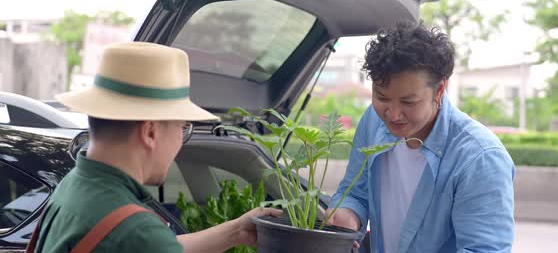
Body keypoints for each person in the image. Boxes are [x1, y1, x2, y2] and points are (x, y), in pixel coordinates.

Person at [28, 42, 281, 252]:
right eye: (182, 128)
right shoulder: (135, 231)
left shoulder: (75, 186)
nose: (181, 142)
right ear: (150, 132)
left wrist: (236, 231)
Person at [325, 22, 515, 252]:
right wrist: (347, 214)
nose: (393, 114)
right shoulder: (373, 122)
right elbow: (355, 191)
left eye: (408, 102)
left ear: (440, 90)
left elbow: (484, 249)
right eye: (382, 97)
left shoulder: (480, 158)